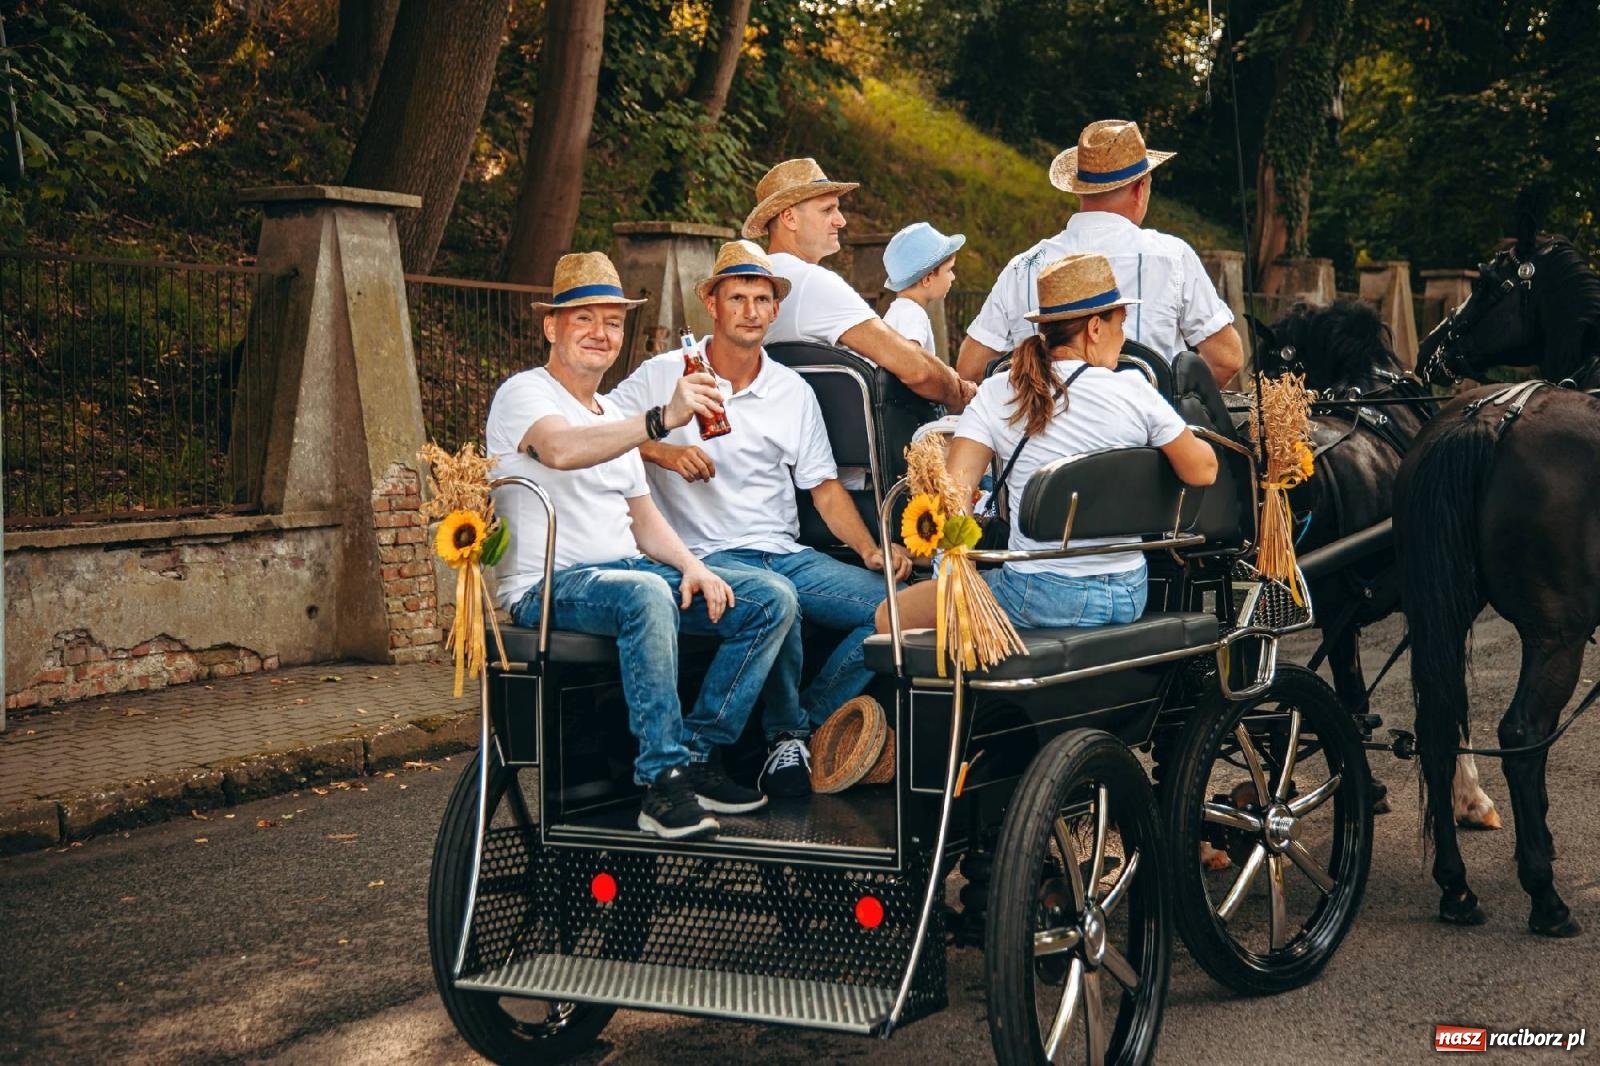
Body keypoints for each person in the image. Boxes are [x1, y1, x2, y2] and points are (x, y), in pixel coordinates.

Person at [487, 251, 800, 841]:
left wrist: (691, 566)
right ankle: (663, 780)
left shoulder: (610, 409)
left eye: (612, 321)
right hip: (549, 585)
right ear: (551, 327)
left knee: (770, 598)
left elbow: (643, 517)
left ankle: (702, 753)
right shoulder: (524, 394)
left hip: (625, 571)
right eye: (584, 319)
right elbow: (561, 450)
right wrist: (660, 420)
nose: (600, 334)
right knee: (644, 596)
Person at [608, 240, 912, 798]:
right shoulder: (665, 374)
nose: (750, 310)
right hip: (706, 557)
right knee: (779, 601)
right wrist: (663, 449)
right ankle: (777, 739)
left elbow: (823, 489)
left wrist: (871, 550)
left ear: (775, 310)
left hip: (786, 552)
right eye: (738, 297)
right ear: (712, 304)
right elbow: (600, 429)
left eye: (762, 299)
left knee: (902, 611)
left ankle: (810, 723)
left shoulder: (791, 390)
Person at [880, 253, 1218, 634]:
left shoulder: (995, 393)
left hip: (1037, 596)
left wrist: (955, 575)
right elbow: (1203, 470)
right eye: (1120, 324)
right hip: (1129, 592)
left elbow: (953, 497)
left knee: (889, 614)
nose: (1123, 338)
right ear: (1094, 327)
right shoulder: (1134, 390)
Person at [956, 120, 1245, 390]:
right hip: (1149, 440)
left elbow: (970, 369)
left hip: (1044, 438)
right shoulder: (1172, 258)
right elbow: (1226, 358)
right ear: (1140, 189)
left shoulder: (1024, 266)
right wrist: (1168, 410)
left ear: (1079, 190)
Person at [743, 157, 975, 411]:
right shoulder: (812, 283)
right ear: (789, 218)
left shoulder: (752, 285)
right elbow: (915, 369)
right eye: (827, 210)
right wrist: (959, 393)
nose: (840, 221)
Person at [881, 221, 965, 355]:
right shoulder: (913, 314)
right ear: (927, 279)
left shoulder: (899, 311)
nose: (953, 277)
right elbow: (909, 364)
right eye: (949, 270)